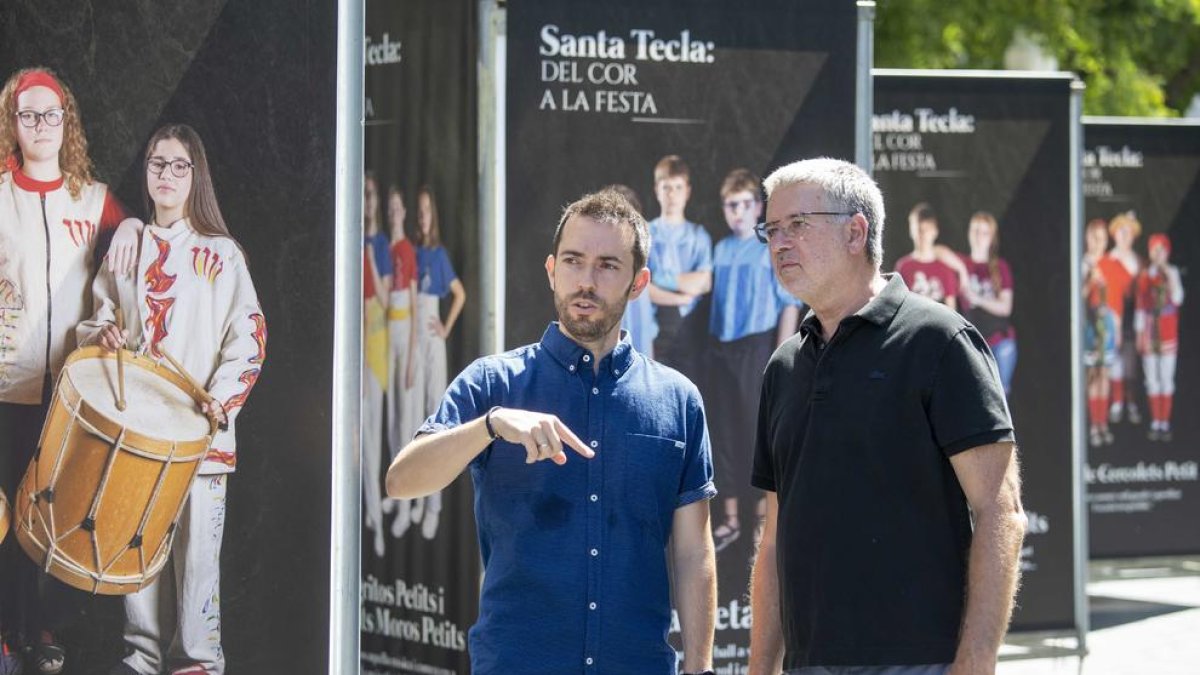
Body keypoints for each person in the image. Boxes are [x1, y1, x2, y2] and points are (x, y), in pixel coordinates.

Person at [386, 189, 717, 675]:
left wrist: (701, 666)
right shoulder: (492, 382)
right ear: (550, 271)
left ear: (639, 282)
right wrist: (491, 425)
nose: (586, 281)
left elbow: (692, 552)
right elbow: (403, 480)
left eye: (607, 265)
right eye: (573, 261)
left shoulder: (678, 400)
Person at [747, 158, 1025, 675]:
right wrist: (760, 667)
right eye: (772, 229)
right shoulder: (784, 366)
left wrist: (976, 660)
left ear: (856, 232)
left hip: (921, 662)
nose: (779, 243)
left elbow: (1000, 512)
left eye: (798, 225)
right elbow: (775, 537)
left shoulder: (940, 341)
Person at [77, 123, 266, 675]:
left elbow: (250, 334)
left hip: (202, 436)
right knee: (137, 547)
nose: (165, 174)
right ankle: (140, 656)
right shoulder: (127, 245)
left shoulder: (221, 254)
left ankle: (200, 661)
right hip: (136, 433)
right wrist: (102, 333)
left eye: (178, 165)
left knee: (199, 560)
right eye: (157, 163)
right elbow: (98, 315)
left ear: (196, 175)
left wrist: (222, 400)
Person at [0, 66, 140, 675]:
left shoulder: (92, 197)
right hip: (6, 385)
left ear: (66, 122)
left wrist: (132, 225)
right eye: (28, 115)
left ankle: (45, 627)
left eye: (50, 114)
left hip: (68, 391)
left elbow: (131, 233)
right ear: (13, 123)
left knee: (50, 515)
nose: (40, 125)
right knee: (5, 517)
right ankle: (8, 632)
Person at [705, 168, 799, 552]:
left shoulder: (769, 248)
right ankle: (729, 518)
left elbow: (789, 304)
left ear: (758, 207)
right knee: (725, 432)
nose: (739, 212)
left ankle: (764, 518)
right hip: (722, 348)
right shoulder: (720, 249)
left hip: (759, 346)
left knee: (758, 431)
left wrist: (782, 356)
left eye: (745, 205)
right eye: (731, 206)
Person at [408, 185, 466, 540]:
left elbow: (459, 294)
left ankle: (434, 506)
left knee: (436, 417)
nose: (423, 217)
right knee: (412, 417)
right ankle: (414, 499)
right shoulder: (412, 253)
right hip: (410, 334)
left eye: (427, 210)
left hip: (431, 337)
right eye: (420, 210)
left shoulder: (438, 254)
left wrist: (445, 327)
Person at [645, 155, 712, 370]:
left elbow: (704, 283)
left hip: (689, 328)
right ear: (656, 190)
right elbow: (642, 288)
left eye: (678, 187)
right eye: (666, 188)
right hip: (655, 326)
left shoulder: (698, 236)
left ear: (688, 191)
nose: (672, 195)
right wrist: (682, 297)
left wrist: (658, 279)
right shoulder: (645, 233)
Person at [382, 185, 421, 538]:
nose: (395, 213)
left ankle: (409, 506)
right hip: (386, 331)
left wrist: (411, 358)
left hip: (403, 330)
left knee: (407, 421)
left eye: (398, 207)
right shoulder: (386, 248)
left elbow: (412, 303)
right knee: (393, 418)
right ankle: (397, 493)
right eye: (390, 208)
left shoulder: (406, 250)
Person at [361, 171, 391, 556]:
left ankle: (379, 522)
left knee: (377, 434)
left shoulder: (380, 244)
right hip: (358, 340)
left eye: (371, 195)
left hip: (378, 342)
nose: (366, 202)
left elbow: (386, 300)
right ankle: (370, 511)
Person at [957, 212, 1016, 395]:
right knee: (974, 396)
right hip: (973, 343)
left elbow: (1005, 307)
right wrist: (960, 269)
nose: (979, 237)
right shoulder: (962, 263)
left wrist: (978, 299)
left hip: (1000, 341)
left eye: (984, 232)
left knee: (999, 398)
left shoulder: (1000, 267)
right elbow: (938, 251)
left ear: (992, 238)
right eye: (975, 231)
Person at [1134, 233, 1184, 441]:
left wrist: (1169, 275)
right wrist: (1139, 334)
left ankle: (1165, 422)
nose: (1158, 253)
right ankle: (1155, 421)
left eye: (1161, 249)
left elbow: (1178, 298)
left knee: (1166, 379)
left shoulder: (1171, 272)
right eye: (1154, 249)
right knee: (1152, 379)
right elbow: (1140, 307)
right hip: (1150, 333)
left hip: (1168, 332)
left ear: (1167, 251)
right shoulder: (1145, 275)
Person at [1082, 219, 1118, 447]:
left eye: (1102, 238)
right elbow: (1077, 297)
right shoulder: (1083, 263)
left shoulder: (1111, 263)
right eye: (1094, 237)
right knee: (1093, 374)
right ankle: (1093, 426)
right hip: (1089, 324)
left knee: (1105, 373)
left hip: (1108, 324)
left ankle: (1103, 423)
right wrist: (1089, 282)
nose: (1098, 242)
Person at [1105, 212, 1143, 425]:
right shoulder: (1108, 261)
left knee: (1131, 365)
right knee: (1115, 365)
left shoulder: (1139, 261)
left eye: (1129, 231)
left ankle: (1132, 403)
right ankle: (1117, 403)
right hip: (1112, 322)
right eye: (1121, 231)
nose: (1124, 235)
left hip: (1133, 322)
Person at [895, 202, 959, 310]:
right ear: (911, 231)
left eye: (927, 230)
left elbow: (952, 311)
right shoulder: (903, 266)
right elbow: (897, 304)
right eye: (919, 230)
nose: (923, 234)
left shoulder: (945, 268)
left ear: (935, 231)